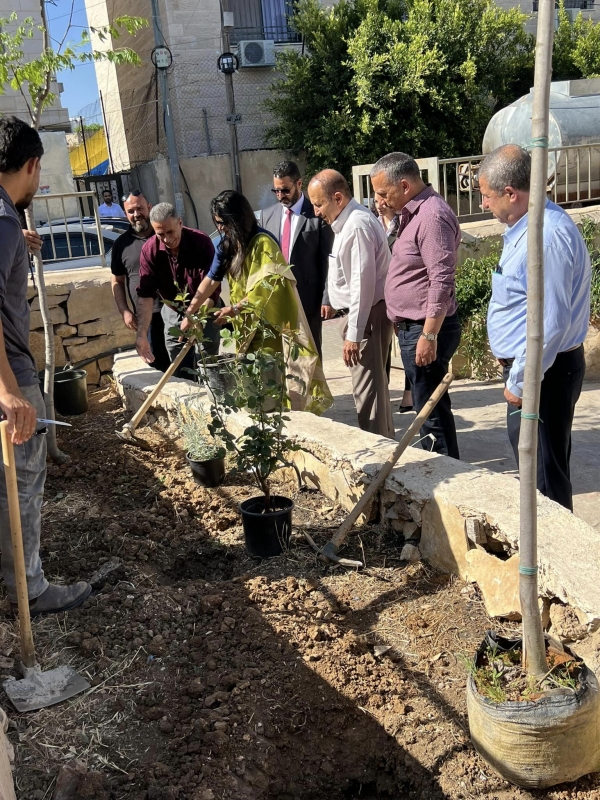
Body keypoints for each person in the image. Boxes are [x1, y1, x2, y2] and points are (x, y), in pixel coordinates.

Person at [0, 116, 91, 614]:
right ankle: (28, 590)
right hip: (9, 370)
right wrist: (9, 390)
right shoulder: (2, 219)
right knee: (24, 480)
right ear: (32, 164)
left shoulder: (7, 220)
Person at [479, 144, 591, 510]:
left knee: (545, 479)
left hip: (544, 374)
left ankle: (549, 561)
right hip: (537, 371)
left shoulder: (545, 236)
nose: (483, 205)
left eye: (486, 196)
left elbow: (550, 322)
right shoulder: (527, 227)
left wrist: (520, 381)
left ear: (511, 194)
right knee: (539, 472)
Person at [182, 190, 333, 415]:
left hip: (272, 327)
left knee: (277, 381)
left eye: (223, 223)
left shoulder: (263, 243)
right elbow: (210, 281)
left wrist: (234, 309)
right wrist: (190, 314)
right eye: (216, 223)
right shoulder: (226, 246)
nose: (220, 228)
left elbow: (267, 289)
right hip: (246, 325)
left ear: (237, 219)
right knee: (252, 383)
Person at [371, 152, 461, 458]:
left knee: (430, 413)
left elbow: (442, 281)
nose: (379, 200)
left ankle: (448, 477)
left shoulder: (432, 216)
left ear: (405, 186)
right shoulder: (410, 214)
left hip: (426, 329)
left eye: (384, 193)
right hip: (414, 328)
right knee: (427, 407)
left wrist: (429, 335)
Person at [307, 170, 394, 438]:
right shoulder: (348, 222)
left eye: (319, 204)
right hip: (363, 315)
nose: (316, 211)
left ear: (338, 198)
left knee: (370, 399)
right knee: (370, 394)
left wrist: (354, 335)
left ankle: (381, 466)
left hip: (366, 317)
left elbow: (362, 285)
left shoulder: (356, 225)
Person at [259, 160, 334, 359]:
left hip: (309, 297)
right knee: (282, 357)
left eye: (285, 190)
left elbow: (327, 260)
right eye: (275, 191)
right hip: (277, 299)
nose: (280, 196)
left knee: (311, 355)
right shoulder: (267, 216)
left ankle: (314, 391)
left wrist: (327, 298)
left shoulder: (317, 215)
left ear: (299, 184)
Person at [136, 203, 221, 379]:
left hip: (205, 308)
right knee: (179, 367)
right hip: (173, 310)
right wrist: (142, 334)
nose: (166, 239)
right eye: (160, 234)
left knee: (208, 364)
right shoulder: (149, 250)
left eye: (170, 232)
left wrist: (196, 316)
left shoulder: (201, 242)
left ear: (180, 223)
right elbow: (146, 295)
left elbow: (212, 288)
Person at [110, 191, 170, 372]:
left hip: (175, 313)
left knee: (184, 368)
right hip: (147, 319)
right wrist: (125, 311)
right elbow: (117, 281)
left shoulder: (166, 235)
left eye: (140, 208)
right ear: (125, 213)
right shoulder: (121, 245)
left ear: (149, 207)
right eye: (131, 211)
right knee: (156, 369)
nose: (136, 215)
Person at [373, 194, 413, 414]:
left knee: (405, 344)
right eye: (375, 200)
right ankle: (384, 390)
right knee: (383, 347)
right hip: (380, 294)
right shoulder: (372, 223)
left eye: (383, 200)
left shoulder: (403, 224)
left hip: (400, 293)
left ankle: (409, 393)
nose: (380, 205)